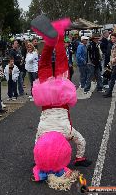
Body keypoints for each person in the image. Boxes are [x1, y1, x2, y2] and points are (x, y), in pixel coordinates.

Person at [31, 14, 92, 167]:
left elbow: (81, 142)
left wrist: (80, 156)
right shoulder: (41, 133)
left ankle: (56, 37)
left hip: (61, 94)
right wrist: (38, 159)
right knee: (44, 65)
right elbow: (37, 146)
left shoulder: (68, 133)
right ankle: (50, 42)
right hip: (45, 94)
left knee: (61, 62)